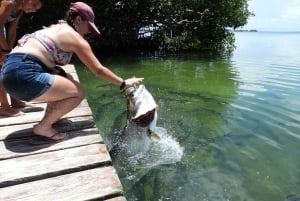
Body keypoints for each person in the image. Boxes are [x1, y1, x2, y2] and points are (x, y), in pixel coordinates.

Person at [0, 1, 144, 140]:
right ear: (79, 19)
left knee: (66, 77)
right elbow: (98, 70)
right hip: (23, 76)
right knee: (79, 92)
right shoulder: (75, 38)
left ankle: (53, 119)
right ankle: (43, 127)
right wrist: (123, 83)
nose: (88, 32)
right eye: (89, 27)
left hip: (8, 74)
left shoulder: (55, 28)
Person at [0, 0, 43, 117]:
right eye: (33, 5)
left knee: (6, 63)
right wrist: (4, 50)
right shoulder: (9, 3)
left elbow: (12, 30)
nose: (33, 10)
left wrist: (9, 50)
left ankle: (14, 101)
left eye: (36, 9)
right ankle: (4, 107)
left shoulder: (19, 9)